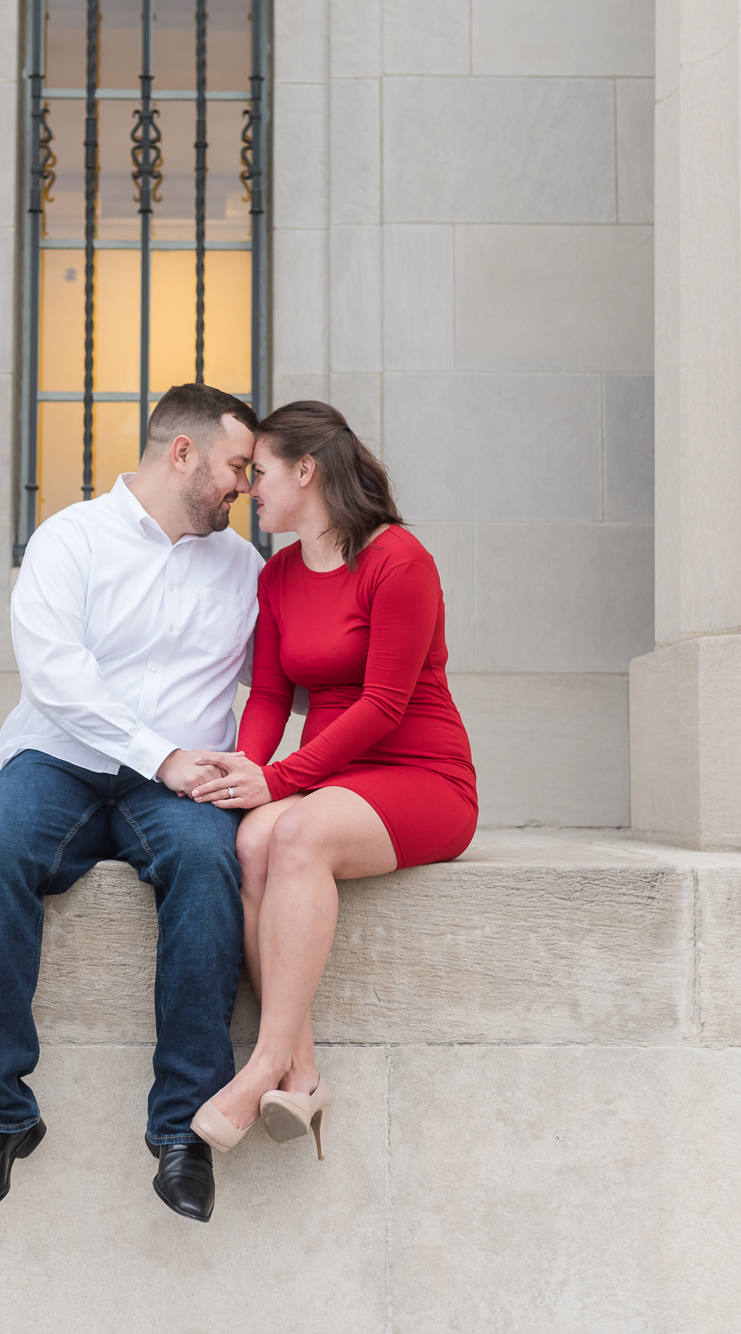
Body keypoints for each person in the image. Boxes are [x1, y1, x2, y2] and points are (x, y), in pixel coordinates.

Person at [0, 383, 262, 1232]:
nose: (244, 487)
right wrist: (160, 754)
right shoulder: (71, 536)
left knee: (206, 862)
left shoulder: (244, 569)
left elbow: (293, 670)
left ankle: (183, 1129)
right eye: (235, 465)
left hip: (181, 780)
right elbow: (55, 672)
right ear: (181, 453)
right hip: (64, 757)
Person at [186, 400, 477, 1158]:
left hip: (420, 775)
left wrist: (281, 778)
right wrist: (249, 772)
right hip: (333, 777)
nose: (251, 487)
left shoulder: (397, 559)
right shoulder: (278, 575)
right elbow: (274, 695)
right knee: (252, 838)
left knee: (299, 831)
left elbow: (384, 705)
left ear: (306, 471)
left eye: (262, 472)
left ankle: (259, 1069)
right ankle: (304, 1073)